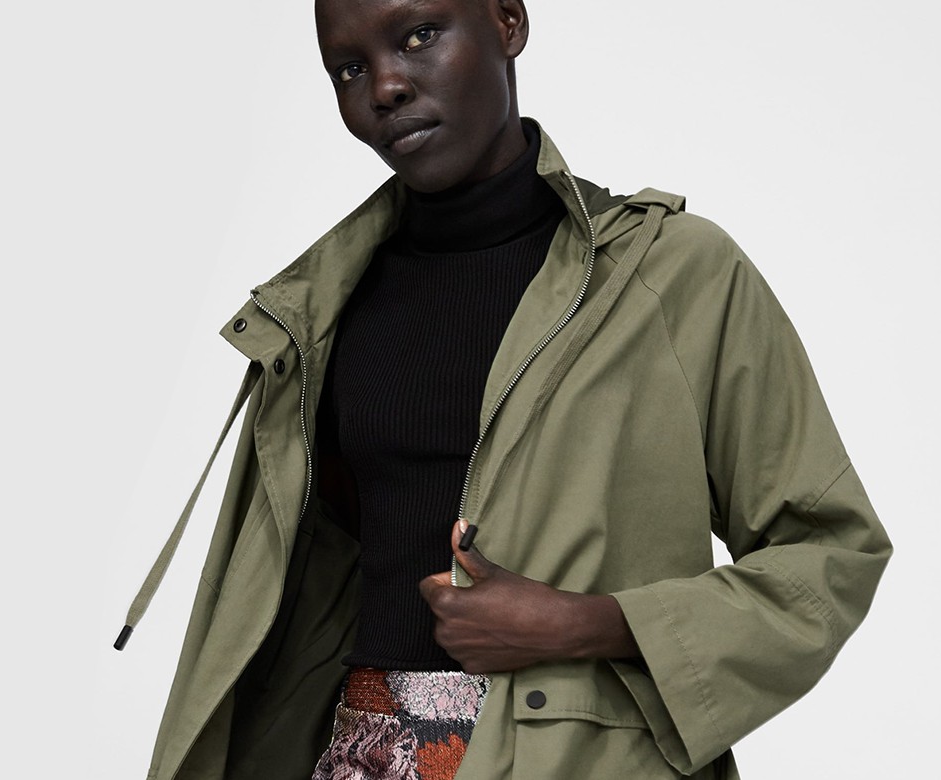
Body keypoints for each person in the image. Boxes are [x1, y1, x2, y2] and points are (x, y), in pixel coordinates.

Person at [115, 0, 892, 777]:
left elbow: (830, 552)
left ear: (508, 22)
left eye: (419, 35)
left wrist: (589, 623)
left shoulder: (674, 275)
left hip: (583, 758)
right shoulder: (319, 311)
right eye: (348, 69)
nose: (384, 86)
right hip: (368, 753)